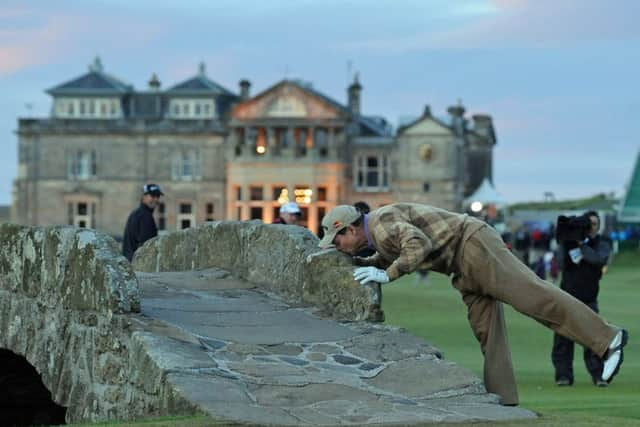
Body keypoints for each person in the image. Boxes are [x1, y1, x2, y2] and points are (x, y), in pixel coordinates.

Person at [318, 203, 628, 406]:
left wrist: (386, 274)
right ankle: (503, 401)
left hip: (472, 245)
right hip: (461, 264)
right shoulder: (376, 233)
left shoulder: (382, 223)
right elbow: (390, 252)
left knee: (534, 298)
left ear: (352, 228)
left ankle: (607, 339)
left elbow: (417, 245)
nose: (338, 246)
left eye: (337, 240)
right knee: (486, 330)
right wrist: (371, 264)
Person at [552, 211, 612, 387]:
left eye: (594, 224)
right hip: (567, 298)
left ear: (599, 226)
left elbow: (599, 260)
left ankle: (598, 376)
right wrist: (569, 242)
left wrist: (582, 245)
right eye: (588, 224)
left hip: (589, 299)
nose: (591, 228)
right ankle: (563, 376)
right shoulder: (568, 243)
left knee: (593, 339)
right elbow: (562, 264)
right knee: (563, 340)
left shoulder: (602, 242)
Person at [122, 183, 163, 262]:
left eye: (158, 196)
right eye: (152, 196)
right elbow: (147, 246)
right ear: (143, 196)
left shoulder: (135, 213)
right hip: (138, 266)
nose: (156, 199)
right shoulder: (145, 216)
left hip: (130, 262)